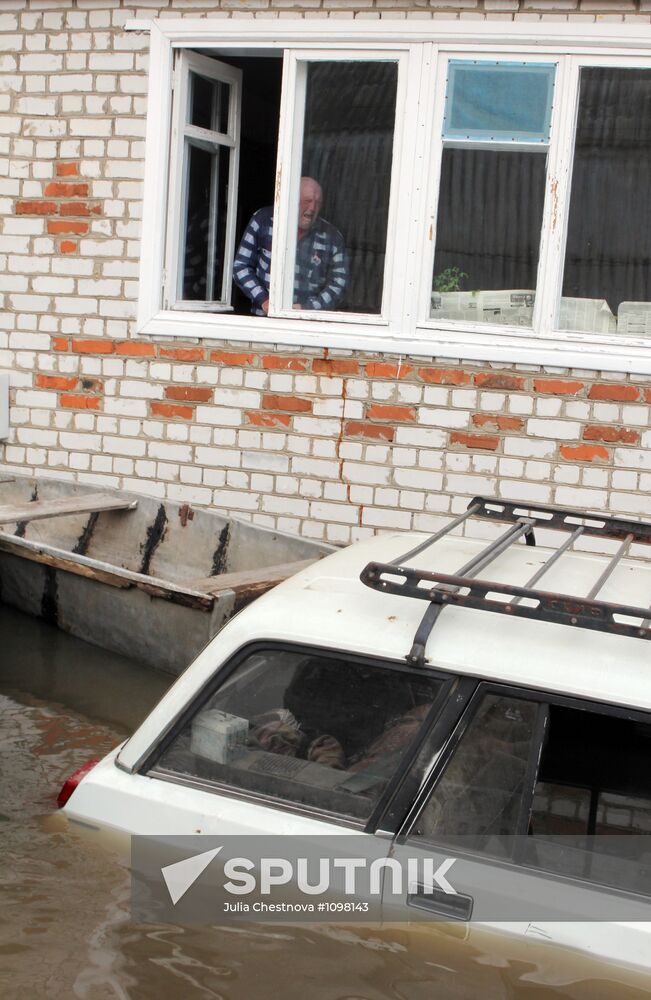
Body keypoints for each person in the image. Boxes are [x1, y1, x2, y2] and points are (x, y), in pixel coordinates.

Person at [233, 177, 347, 316]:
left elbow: (339, 283)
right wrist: (264, 300)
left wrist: (307, 308)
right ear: (292, 198)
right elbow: (241, 266)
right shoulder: (263, 220)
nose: (312, 208)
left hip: (309, 325)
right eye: (308, 201)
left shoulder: (332, 237)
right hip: (263, 321)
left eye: (318, 203)